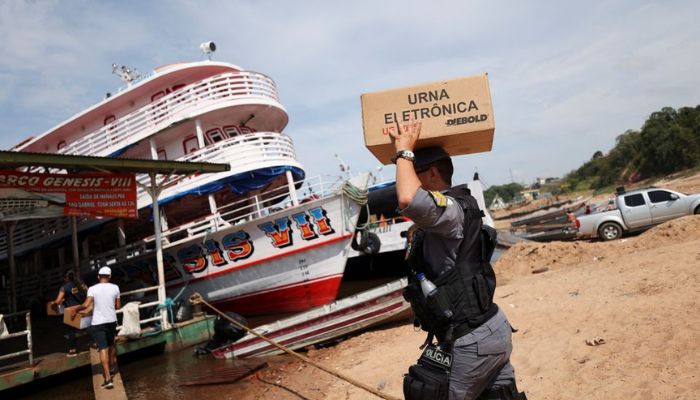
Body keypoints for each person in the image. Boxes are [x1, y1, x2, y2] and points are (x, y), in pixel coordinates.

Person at [390, 119, 526, 400]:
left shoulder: (449, 211)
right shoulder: (460, 209)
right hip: (490, 329)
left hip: (471, 340)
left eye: (416, 173)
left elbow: (407, 197)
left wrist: (404, 151)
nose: (411, 178)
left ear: (433, 175)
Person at [77, 266, 121, 389]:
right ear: (110, 276)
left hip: (98, 322)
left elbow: (86, 304)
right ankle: (112, 367)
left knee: (103, 348)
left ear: (98, 276)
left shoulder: (92, 289)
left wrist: (75, 309)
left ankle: (107, 378)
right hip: (111, 321)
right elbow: (117, 306)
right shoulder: (115, 287)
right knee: (111, 344)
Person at [51, 270, 87, 357]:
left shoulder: (64, 287)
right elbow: (88, 292)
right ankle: (96, 343)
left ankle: (72, 350)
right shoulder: (80, 284)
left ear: (66, 278)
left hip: (71, 311)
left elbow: (58, 300)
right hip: (81, 308)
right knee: (88, 327)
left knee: (71, 331)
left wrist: (53, 304)